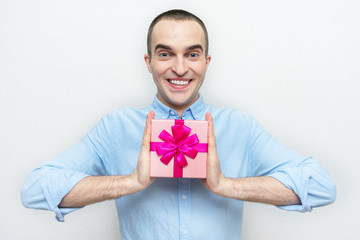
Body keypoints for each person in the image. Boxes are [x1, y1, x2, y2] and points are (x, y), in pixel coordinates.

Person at [21, 9, 336, 239]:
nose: (180, 68)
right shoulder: (115, 128)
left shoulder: (238, 126)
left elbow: (322, 186)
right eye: (165, 54)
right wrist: (130, 182)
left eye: (192, 54)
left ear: (206, 62)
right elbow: (34, 190)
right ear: (149, 62)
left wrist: (226, 185)